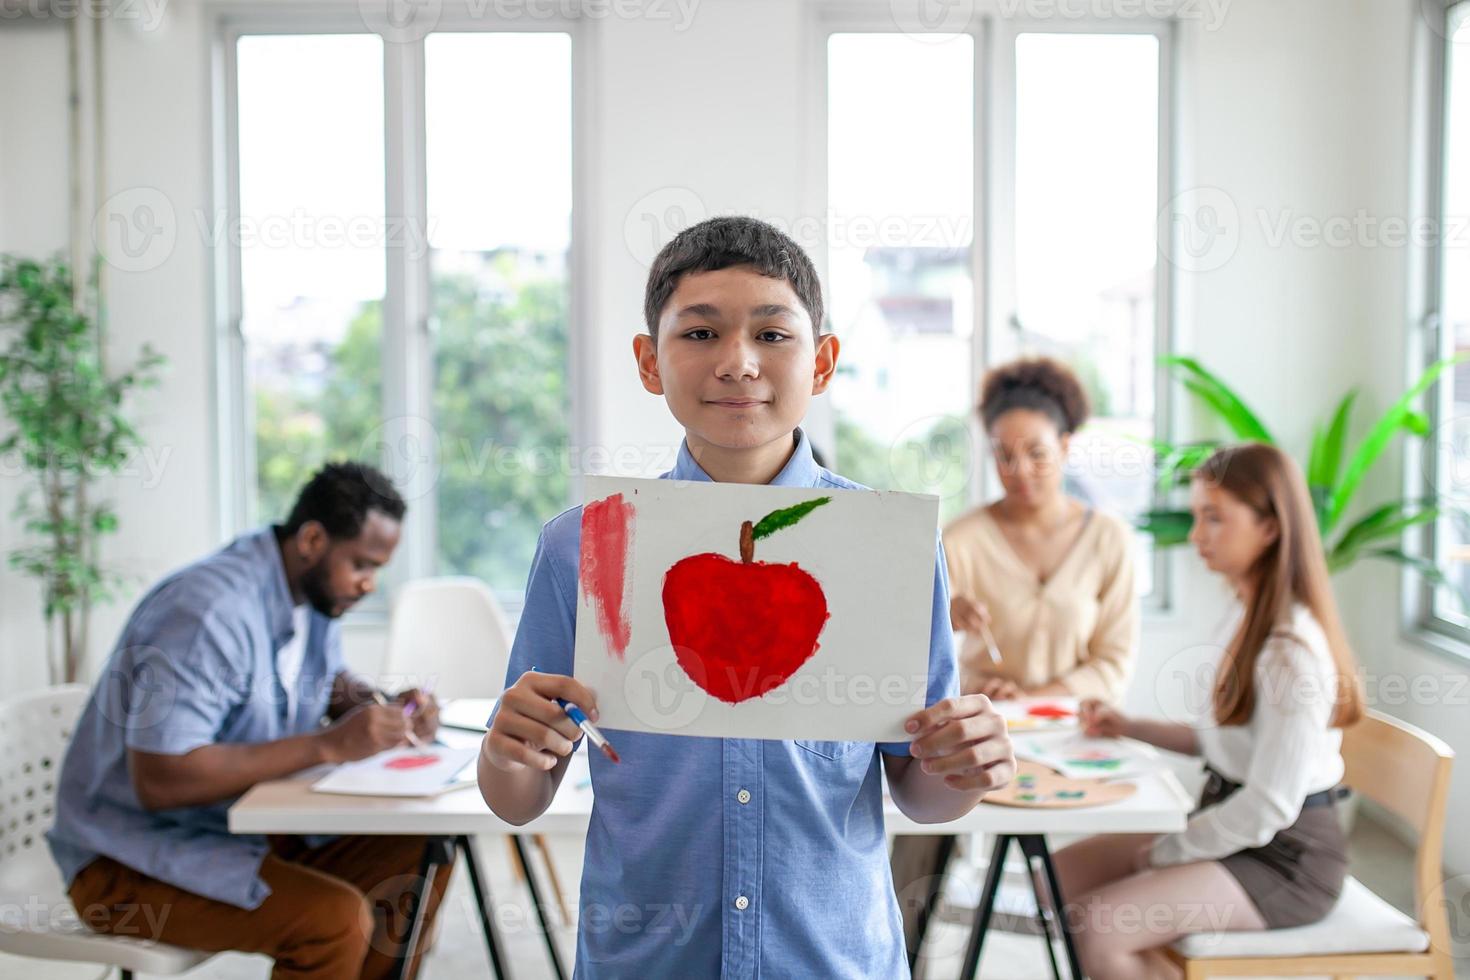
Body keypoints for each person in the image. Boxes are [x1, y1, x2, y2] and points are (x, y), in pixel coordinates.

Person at [477, 215, 1016, 977]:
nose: (737, 363)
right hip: (648, 960)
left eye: (773, 335)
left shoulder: (885, 546)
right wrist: (506, 749)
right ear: (649, 361)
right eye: (699, 335)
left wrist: (965, 769)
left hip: (832, 957)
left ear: (823, 361)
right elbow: (520, 797)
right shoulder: (583, 546)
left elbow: (919, 790)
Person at [49, 461, 450, 980]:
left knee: (417, 856)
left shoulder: (311, 593)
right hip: (123, 859)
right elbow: (161, 779)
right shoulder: (208, 613)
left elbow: (321, 678)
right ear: (311, 539)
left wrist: (379, 702)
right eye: (362, 565)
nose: (369, 584)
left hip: (236, 825)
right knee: (333, 922)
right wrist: (329, 745)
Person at [1052, 442, 1363, 980]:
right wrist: (1131, 727)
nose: (1196, 536)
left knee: (1097, 926)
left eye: (1214, 518)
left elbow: (1269, 805)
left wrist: (1168, 851)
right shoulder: (1245, 615)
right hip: (1233, 826)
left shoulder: (1291, 651)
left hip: (1286, 859)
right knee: (1054, 878)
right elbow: (1226, 740)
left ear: (1270, 527)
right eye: (1197, 516)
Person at [892, 356, 1140, 958]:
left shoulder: (1108, 540)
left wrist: (1030, 697)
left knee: (1105, 863)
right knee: (913, 857)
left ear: (1066, 445)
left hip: (1070, 741)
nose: (1018, 470)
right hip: (975, 740)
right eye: (1003, 454)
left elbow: (1113, 664)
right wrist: (947, 621)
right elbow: (916, 659)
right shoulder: (961, 539)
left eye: (1036, 452)